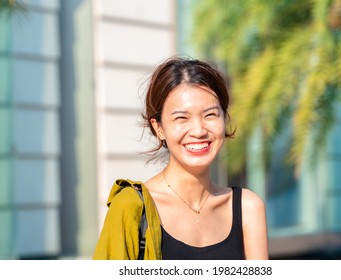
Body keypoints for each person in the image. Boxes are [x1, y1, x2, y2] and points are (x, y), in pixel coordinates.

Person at [93, 57, 269, 260]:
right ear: (158, 127)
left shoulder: (248, 208)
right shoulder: (132, 206)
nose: (198, 130)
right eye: (181, 118)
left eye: (210, 115)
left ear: (224, 119)